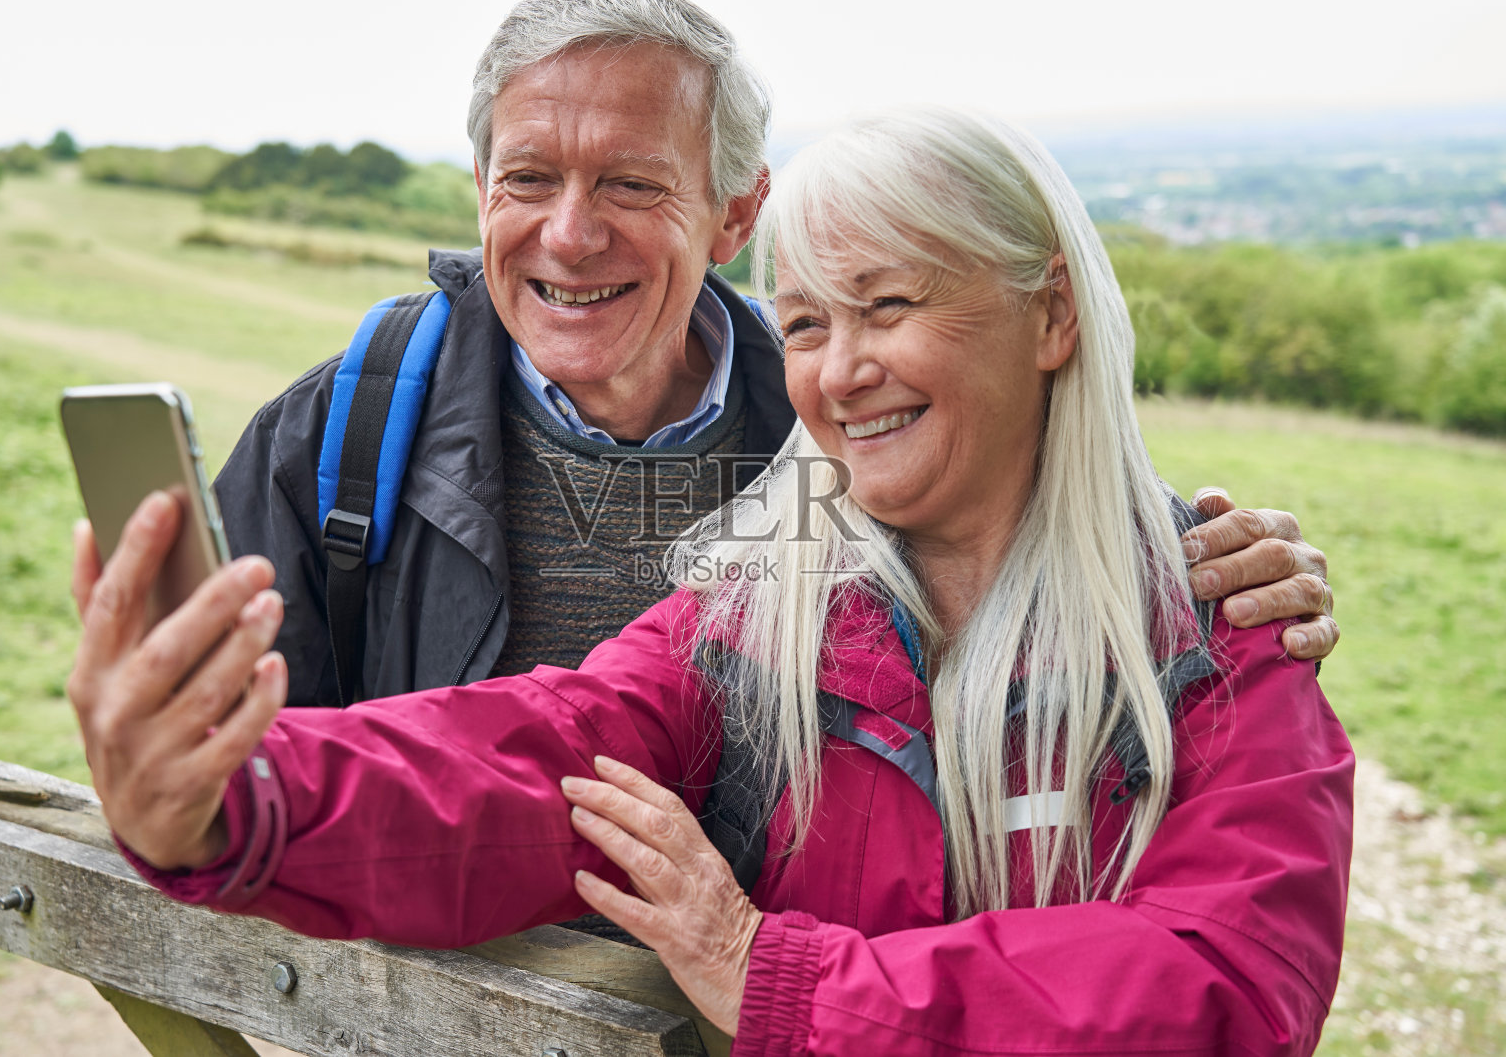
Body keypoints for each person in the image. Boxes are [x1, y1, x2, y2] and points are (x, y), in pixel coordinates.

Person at [68, 107, 1352, 1054]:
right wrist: (241, 799)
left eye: (887, 303)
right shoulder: (760, 604)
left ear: (1052, 317)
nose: (840, 369)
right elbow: (544, 759)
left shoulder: (1214, 631)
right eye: (802, 323)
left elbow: (1227, 983)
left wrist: (775, 975)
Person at [210, 0, 1339, 710]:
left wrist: (1203, 577)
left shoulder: (853, 420)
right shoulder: (337, 434)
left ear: (735, 218)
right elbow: (242, 770)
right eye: (529, 179)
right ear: (479, 191)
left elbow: (1046, 536)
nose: (568, 233)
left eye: (631, 184)